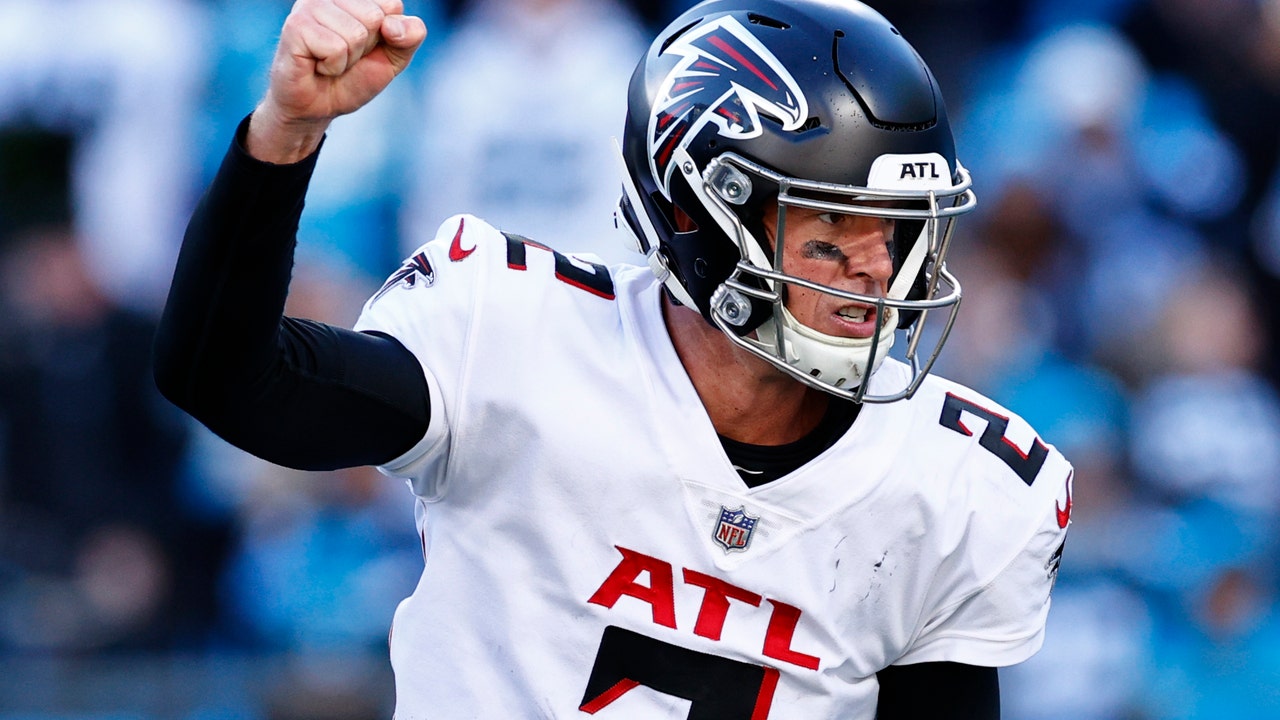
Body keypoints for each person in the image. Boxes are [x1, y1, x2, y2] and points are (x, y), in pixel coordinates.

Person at [153, 0, 1073, 717]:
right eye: (830, 228)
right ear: (697, 214)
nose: (878, 272)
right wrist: (285, 134)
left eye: (901, 233)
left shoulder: (958, 490)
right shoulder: (514, 335)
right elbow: (230, 380)